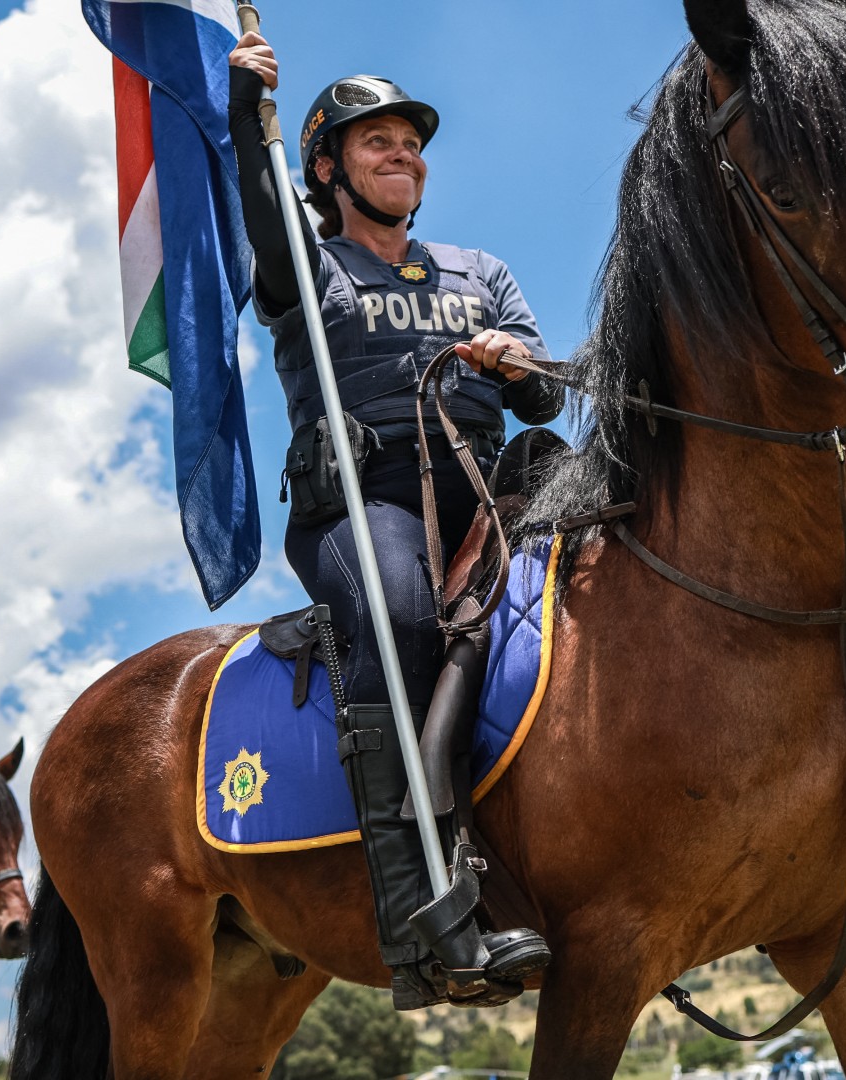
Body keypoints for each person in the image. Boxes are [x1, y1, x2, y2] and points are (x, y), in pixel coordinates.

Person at [228, 33, 562, 1010]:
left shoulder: (480, 273)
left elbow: (543, 403)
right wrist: (252, 120)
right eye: (377, 142)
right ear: (327, 166)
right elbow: (264, 219)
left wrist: (518, 365)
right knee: (403, 615)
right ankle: (427, 923)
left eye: (412, 143)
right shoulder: (308, 263)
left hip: (490, 503)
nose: (404, 156)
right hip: (365, 508)